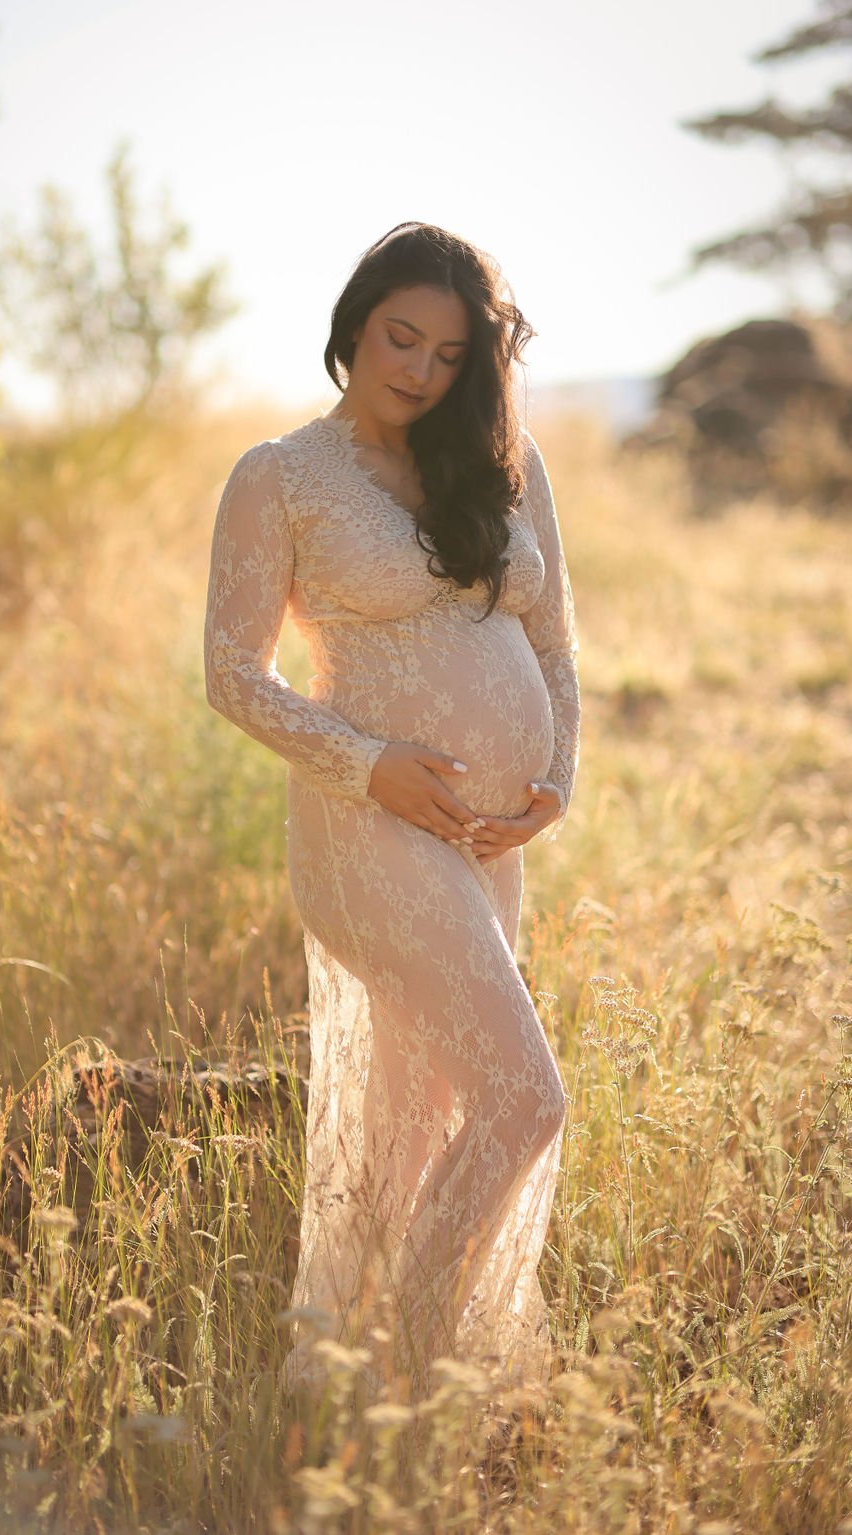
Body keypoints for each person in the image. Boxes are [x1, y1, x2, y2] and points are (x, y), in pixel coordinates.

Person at [202, 221, 580, 1402]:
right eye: (398, 337)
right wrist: (369, 765)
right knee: (524, 1098)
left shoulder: (507, 467)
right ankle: (408, 1371)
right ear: (352, 328)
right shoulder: (280, 475)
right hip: (366, 830)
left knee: (415, 1120)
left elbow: (554, 646)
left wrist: (552, 779)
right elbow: (232, 672)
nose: (417, 368)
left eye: (449, 353)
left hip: (484, 840)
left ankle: (349, 1388)